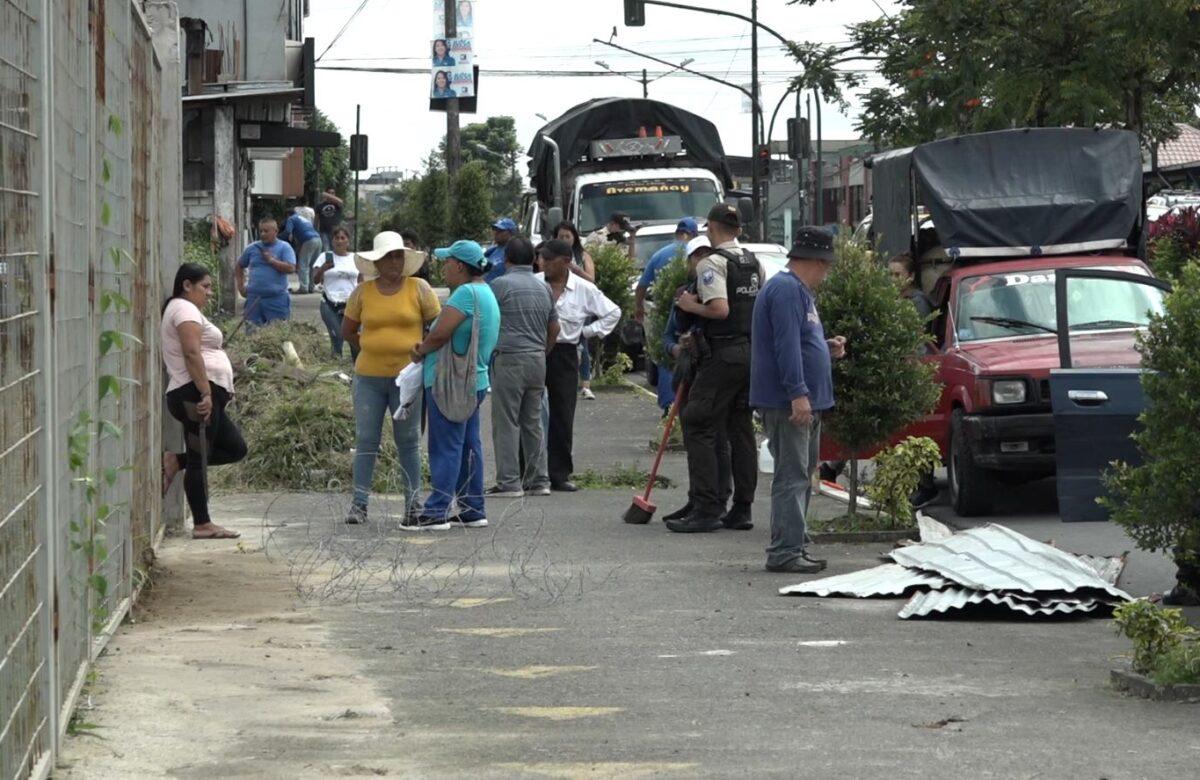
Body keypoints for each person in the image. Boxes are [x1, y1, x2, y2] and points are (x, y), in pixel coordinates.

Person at [751, 227, 847, 573]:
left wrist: (825, 348)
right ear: (817, 262)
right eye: (827, 266)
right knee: (792, 476)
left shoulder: (797, 291)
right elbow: (786, 345)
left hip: (802, 398)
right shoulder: (787, 290)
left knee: (802, 474)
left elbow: (798, 341)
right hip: (789, 401)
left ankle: (794, 543)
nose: (827, 273)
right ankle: (785, 551)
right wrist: (797, 393)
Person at [666, 203, 762, 534]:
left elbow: (720, 309)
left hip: (722, 353)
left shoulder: (713, 263)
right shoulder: (752, 261)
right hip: (749, 352)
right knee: (740, 427)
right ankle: (742, 508)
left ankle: (707, 507)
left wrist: (689, 305)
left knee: (698, 421)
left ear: (711, 227)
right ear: (738, 229)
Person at [341, 231, 441, 524]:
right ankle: (359, 505)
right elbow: (348, 330)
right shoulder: (362, 293)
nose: (395, 262)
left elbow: (438, 326)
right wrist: (371, 346)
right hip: (368, 378)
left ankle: (413, 504)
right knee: (366, 440)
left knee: (408, 441)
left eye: (399, 256)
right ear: (377, 262)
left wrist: (422, 349)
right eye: (388, 257)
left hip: (406, 380)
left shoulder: (419, 288)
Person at [409, 240, 501, 530]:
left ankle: (437, 510)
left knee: (446, 445)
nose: (444, 267)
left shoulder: (464, 294)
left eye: (447, 262)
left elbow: (440, 334)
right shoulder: (486, 291)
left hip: (450, 382)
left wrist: (421, 349)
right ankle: (473, 507)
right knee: (469, 445)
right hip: (475, 380)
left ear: (460, 266)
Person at [161, 263, 247, 540]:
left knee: (235, 448)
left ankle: (176, 461)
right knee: (199, 458)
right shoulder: (184, 309)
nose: (210, 292)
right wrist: (206, 393)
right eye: (205, 286)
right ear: (187, 285)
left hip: (199, 392)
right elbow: (191, 353)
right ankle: (202, 524)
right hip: (194, 394)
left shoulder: (186, 310)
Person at [536, 239, 621, 491]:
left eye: (548, 259)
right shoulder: (535, 283)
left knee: (563, 412)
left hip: (565, 352)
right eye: (541, 258)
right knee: (530, 411)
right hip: (536, 350)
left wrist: (587, 332)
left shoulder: (583, 288)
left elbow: (613, 312)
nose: (543, 263)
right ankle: (530, 470)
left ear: (565, 262)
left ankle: (559, 473)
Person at [659, 235, 732, 522]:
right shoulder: (684, 295)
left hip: (714, 372)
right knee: (696, 438)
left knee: (718, 438)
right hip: (690, 372)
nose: (702, 261)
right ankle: (698, 499)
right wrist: (677, 348)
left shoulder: (721, 292)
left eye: (706, 254)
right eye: (696, 256)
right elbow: (667, 337)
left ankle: (715, 501)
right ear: (689, 262)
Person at [487, 236, 560, 498]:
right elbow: (555, 327)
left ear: (506, 259)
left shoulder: (499, 285)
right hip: (537, 359)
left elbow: (486, 320)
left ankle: (509, 482)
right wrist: (542, 350)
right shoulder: (544, 288)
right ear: (533, 259)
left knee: (506, 421)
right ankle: (539, 480)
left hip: (509, 358)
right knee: (533, 421)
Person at [635, 217, 699, 411]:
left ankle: (668, 405)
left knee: (665, 356)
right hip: (692, 309)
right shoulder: (695, 254)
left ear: (677, 233)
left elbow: (642, 286)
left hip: (662, 309)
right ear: (692, 234)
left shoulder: (660, 254)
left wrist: (639, 308)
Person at [554, 222, 599, 400]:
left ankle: (585, 384)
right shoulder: (551, 255)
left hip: (580, 303)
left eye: (568, 236)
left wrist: (576, 270)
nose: (564, 240)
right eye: (561, 236)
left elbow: (592, 280)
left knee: (581, 342)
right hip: (557, 302)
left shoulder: (582, 255)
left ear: (574, 238)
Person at [236, 216, 296, 326]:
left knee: (277, 332)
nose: (263, 234)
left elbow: (291, 268)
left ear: (276, 231)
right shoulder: (252, 248)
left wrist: (271, 260)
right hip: (254, 299)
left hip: (276, 299)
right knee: (251, 331)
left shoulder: (284, 247)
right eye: (261, 231)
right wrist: (240, 286)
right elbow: (239, 265)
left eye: (266, 231)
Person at [313, 225, 361, 360]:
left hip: (351, 304)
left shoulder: (355, 258)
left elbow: (362, 281)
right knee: (337, 336)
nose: (339, 241)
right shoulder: (324, 257)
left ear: (348, 241)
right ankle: (336, 365)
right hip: (329, 303)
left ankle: (356, 367)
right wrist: (323, 268)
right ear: (332, 241)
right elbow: (315, 280)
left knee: (354, 339)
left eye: (342, 238)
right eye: (336, 238)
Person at [280, 206, 323, 294]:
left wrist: (277, 238)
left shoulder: (291, 219)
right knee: (312, 265)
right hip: (318, 239)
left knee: (303, 264)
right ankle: (311, 287)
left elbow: (288, 232)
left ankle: (303, 288)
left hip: (309, 240)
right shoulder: (302, 219)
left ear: (287, 215)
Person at [483, 217, 517, 282]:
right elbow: (481, 266)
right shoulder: (491, 250)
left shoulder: (514, 252)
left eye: (500, 230)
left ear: (510, 233)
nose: (496, 233)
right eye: (495, 229)